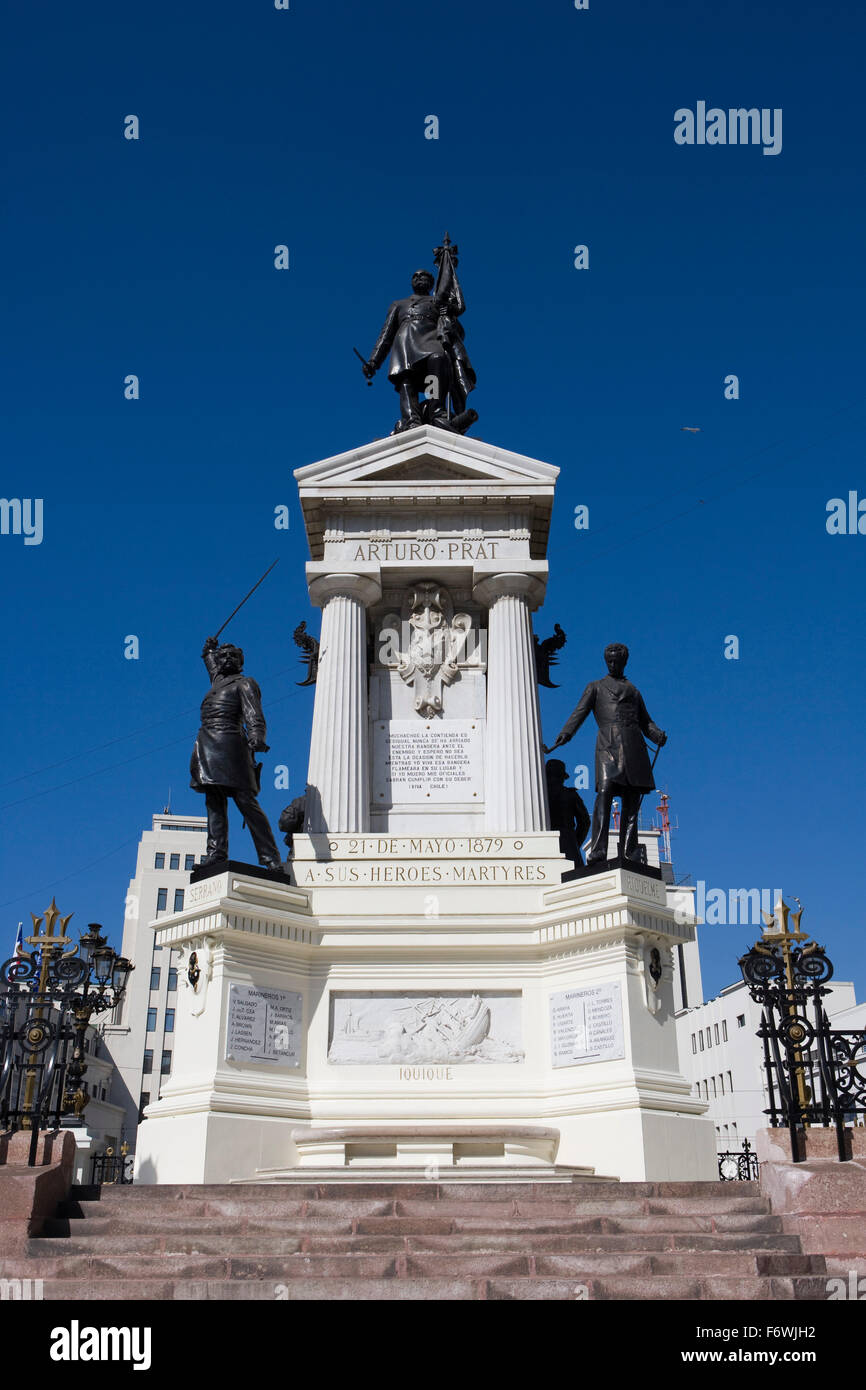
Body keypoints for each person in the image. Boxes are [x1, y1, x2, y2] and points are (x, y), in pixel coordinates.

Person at [544, 643, 666, 868]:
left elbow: (645, 721)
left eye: (616, 661)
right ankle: (598, 852)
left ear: (624, 662)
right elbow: (579, 713)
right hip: (607, 746)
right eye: (609, 661)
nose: (612, 664)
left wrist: (657, 735)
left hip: (633, 747)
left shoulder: (634, 691)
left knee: (631, 801)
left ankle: (629, 851)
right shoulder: (596, 687)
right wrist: (564, 735)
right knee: (605, 793)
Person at [189, 637, 282, 870]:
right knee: (213, 801)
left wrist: (257, 738)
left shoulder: (245, 683)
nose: (228, 659)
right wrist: (209, 649)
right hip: (207, 744)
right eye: (223, 656)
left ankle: (270, 857)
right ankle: (216, 853)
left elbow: (254, 715)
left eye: (233, 656)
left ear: (241, 661)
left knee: (245, 801)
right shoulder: (218, 681)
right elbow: (211, 663)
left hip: (231, 745)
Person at [545, 760, 591, 867]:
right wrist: (574, 842)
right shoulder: (571, 794)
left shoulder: (538, 795)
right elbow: (585, 822)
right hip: (567, 840)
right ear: (562, 777)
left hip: (544, 841)